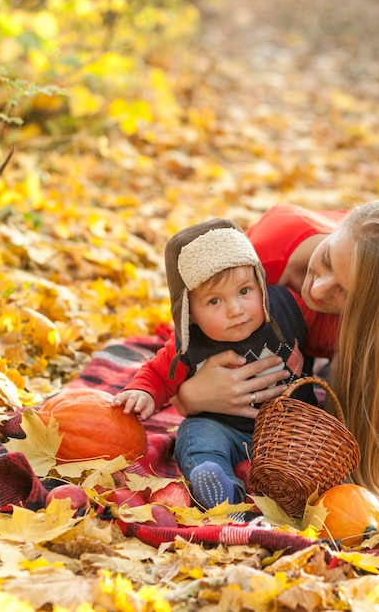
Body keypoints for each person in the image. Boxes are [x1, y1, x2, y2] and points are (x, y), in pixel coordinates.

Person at [173, 201, 379, 502]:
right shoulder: (264, 251)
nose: (316, 290)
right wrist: (190, 397)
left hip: (313, 370)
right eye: (327, 258)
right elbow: (187, 336)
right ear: (334, 231)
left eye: (344, 293)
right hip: (264, 353)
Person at [112, 218, 316, 509]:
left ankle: (278, 482)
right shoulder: (190, 342)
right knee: (195, 436)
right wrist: (143, 393)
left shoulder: (288, 307)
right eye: (214, 302)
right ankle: (222, 487)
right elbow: (157, 374)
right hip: (226, 429)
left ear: (260, 283)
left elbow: (333, 327)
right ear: (189, 313)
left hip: (291, 427)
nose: (235, 310)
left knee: (312, 444)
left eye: (245, 291)